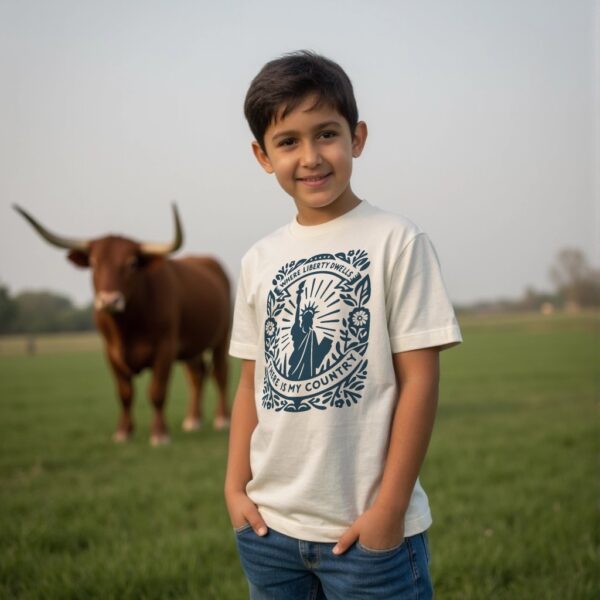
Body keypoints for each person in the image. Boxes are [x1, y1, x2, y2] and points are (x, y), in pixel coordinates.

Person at [224, 50, 462, 599]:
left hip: (368, 537)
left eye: (326, 134)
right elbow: (249, 385)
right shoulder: (259, 260)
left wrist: (389, 511)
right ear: (263, 156)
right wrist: (235, 491)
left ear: (357, 137)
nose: (310, 157)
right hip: (268, 531)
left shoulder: (397, 241)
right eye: (288, 142)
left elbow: (419, 382)